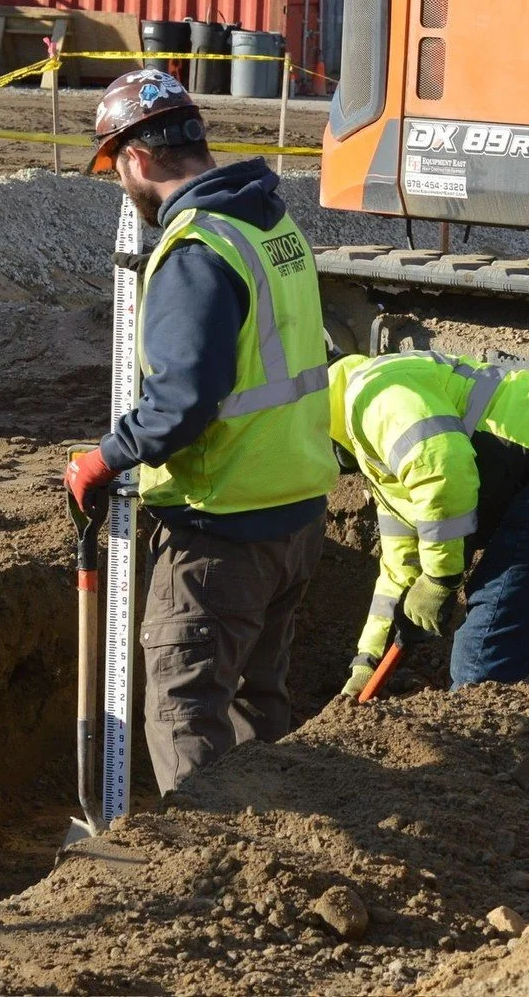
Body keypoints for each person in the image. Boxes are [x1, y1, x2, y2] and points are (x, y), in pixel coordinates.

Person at [64, 68, 337, 793]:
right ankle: (270, 848)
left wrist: (106, 457)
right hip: (296, 508)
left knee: (186, 707)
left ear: (135, 159)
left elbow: (183, 403)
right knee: (257, 700)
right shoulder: (269, 221)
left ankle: (210, 866)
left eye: (115, 171)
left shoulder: (195, 253)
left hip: (224, 527)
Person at [329, 349, 529, 695]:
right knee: (495, 655)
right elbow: (400, 568)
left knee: (480, 663)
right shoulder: (377, 456)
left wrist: (438, 579)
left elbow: (444, 471)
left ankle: (485, 737)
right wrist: (367, 660)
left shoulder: (371, 394)